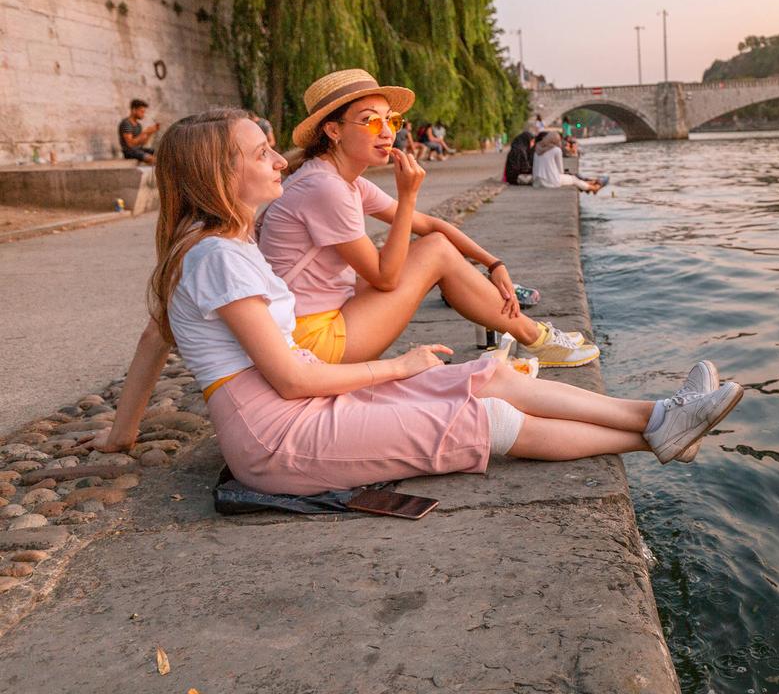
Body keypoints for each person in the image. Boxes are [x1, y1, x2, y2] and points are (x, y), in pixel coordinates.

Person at [81, 108, 743, 492]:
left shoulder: (212, 242)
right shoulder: (220, 254)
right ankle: (655, 436)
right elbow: (289, 376)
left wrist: (123, 435)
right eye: (260, 154)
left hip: (296, 412)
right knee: (487, 420)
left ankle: (660, 413)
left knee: (485, 375)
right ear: (218, 175)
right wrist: (402, 367)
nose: (278, 160)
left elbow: (152, 340)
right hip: (279, 439)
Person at [256, 69, 598, 370]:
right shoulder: (325, 187)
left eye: (390, 120)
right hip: (312, 343)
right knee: (434, 252)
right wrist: (408, 197)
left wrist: (494, 263)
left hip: (317, 318)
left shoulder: (340, 179)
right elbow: (385, 278)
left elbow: (432, 225)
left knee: (435, 246)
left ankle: (530, 331)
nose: (387, 132)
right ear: (333, 130)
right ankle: (532, 335)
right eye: (370, 121)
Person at [532, 132, 604, 193]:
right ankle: (594, 188)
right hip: (551, 183)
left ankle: (589, 185)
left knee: (571, 179)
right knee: (573, 179)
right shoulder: (556, 150)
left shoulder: (537, 149)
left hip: (537, 182)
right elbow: (560, 170)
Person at [118, 99, 159, 164]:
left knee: (159, 152)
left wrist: (149, 133)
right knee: (152, 159)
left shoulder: (138, 125)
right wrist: (145, 132)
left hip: (139, 149)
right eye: (141, 112)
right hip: (129, 152)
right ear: (134, 110)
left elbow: (142, 143)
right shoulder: (126, 123)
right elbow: (130, 144)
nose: (143, 114)